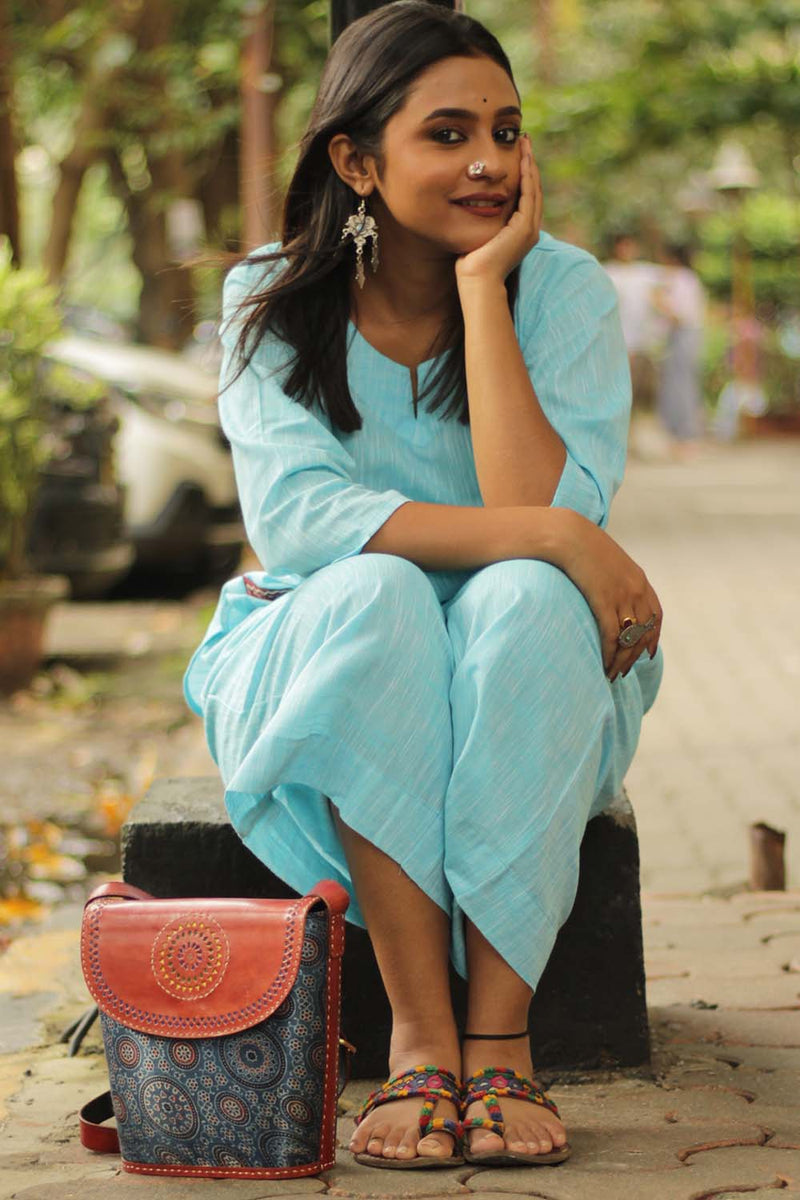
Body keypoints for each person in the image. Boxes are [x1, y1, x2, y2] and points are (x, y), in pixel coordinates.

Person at [183, 0, 663, 1173]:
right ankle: (417, 1039)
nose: (489, 161)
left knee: (524, 598)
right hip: (331, 650)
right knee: (380, 592)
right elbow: (302, 524)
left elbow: (537, 517)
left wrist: (484, 290)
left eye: (505, 130)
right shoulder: (269, 297)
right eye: (446, 134)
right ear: (356, 161)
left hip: (531, 666)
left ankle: (498, 1040)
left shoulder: (561, 291)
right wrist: (555, 532)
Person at [603, 233, 665, 411]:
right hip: (616, 335)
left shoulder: (646, 272)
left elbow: (668, 282)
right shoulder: (608, 271)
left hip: (641, 339)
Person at [654, 243, 706, 454]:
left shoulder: (682, 279)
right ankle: (679, 434)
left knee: (681, 384)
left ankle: (685, 435)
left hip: (684, 333)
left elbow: (679, 315)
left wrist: (658, 302)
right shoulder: (684, 279)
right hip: (681, 334)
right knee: (676, 384)